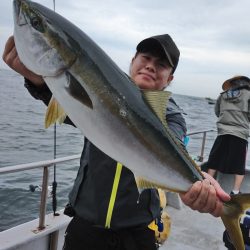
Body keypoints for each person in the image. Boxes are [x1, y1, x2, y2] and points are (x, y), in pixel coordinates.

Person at [3, 34, 230, 250]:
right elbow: (69, 105)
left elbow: (175, 145)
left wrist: (198, 180)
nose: (150, 66)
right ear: (132, 61)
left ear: (169, 79)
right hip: (85, 225)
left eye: (161, 64)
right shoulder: (99, 96)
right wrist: (39, 82)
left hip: (138, 231)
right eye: (145, 58)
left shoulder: (171, 116)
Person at [207, 76, 250, 195]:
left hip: (222, 133)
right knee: (239, 165)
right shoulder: (249, 95)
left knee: (214, 161)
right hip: (240, 135)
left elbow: (217, 112)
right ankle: (235, 192)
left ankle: (207, 186)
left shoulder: (223, 95)